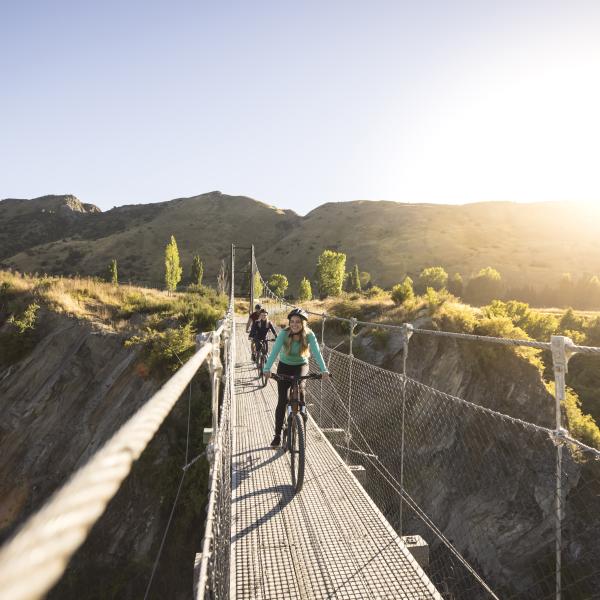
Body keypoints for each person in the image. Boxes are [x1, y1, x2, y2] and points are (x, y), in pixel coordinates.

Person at [263, 307, 329, 447]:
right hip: (284, 366)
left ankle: (302, 419)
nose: (294, 324)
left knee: (301, 389)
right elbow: (274, 351)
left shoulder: (309, 335)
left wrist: (324, 370)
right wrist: (267, 368)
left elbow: (316, 352)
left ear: (303, 323)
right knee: (282, 401)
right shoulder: (283, 334)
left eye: (298, 321)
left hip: (301, 365)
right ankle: (277, 435)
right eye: (292, 321)